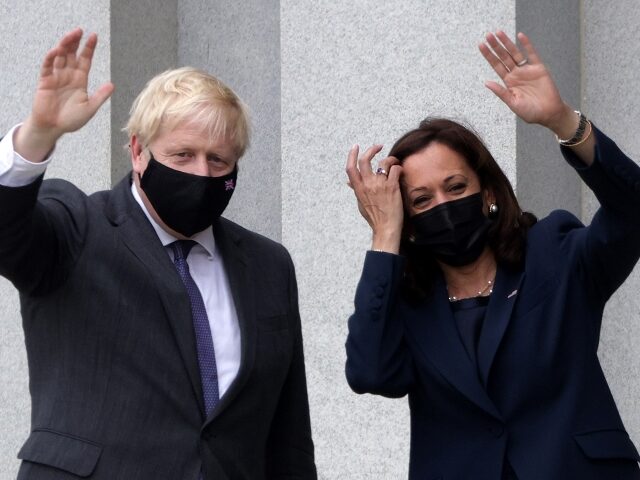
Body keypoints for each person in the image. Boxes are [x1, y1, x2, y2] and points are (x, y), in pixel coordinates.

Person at [0, 28, 316, 480]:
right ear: (138, 152)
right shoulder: (77, 227)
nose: (201, 173)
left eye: (219, 161)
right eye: (182, 155)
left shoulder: (269, 264)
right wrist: (37, 136)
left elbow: (288, 435)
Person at [345, 30, 640, 479]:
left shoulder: (554, 251)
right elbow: (369, 373)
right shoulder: (405, 301)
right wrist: (385, 234)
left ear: (486, 193)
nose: (443, 205)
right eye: (422, 201)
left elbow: (632, 210)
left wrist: (563, 121)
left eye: (456, 187)